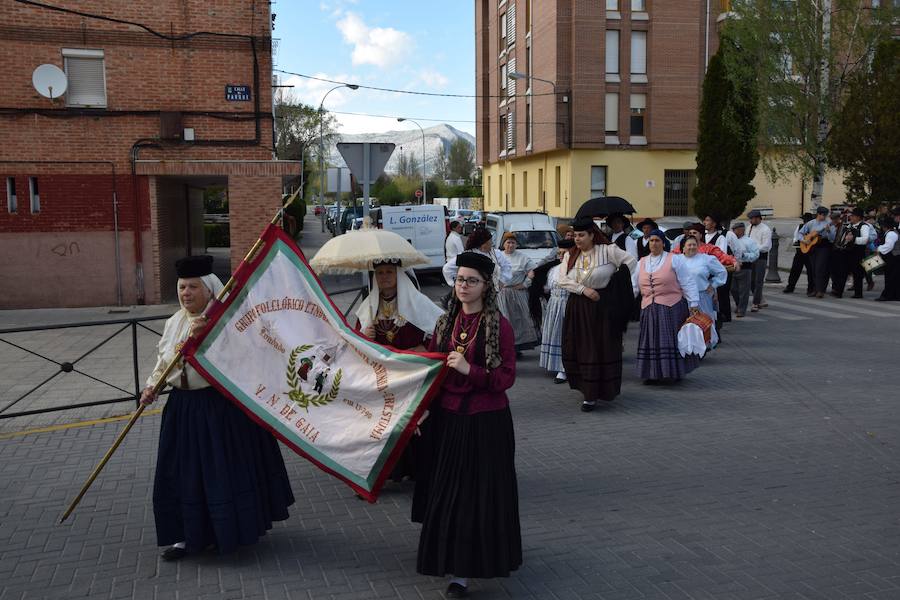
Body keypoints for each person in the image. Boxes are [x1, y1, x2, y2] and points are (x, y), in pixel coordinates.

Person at [141, 255, 295, 561]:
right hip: (182, 409)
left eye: (193, 287)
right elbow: (164, 362)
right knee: (182, 474)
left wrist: (206, 338)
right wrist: (151, 386)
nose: (186, 293)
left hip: (219, 408)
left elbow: (245, 357)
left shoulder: (228, 322)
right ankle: (184, 537)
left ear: (210, 290)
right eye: (182, 287)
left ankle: (227, 533)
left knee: (219, 473)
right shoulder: (174, 323)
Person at [413, 251, 521, 598]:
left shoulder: (497, 325)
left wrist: (468, 370)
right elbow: (432, 370)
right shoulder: (446, 322)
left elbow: (505, 377)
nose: (463, 286)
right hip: (448, 418)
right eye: (460, 279)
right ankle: (452, 564)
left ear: (486, 285)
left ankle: (473, 566)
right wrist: (422, 409)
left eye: (471, 280)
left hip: (485, 421)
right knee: (448, 493)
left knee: (480, 496)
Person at [355, 258, 444, 483]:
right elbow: (357, 344)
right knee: (387, 422)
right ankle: (387, 471)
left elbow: (439, 327)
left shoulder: (417, 302)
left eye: (389, 272)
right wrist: (366, 338)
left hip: (411, 372)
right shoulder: (367, 308)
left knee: (414, 419)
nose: (384, 276)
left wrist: (423, 346)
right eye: (380, 273)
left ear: (399, 275)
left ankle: (419, 470)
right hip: (385, 375)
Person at [558, 217, 638, 411]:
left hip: (602, 307)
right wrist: (583, 290)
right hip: (578, 305)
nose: (577, 239)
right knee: (581, 347)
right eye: (575, 235)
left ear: (592, 235)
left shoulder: (608, 250)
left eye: (581, 235)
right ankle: (588, 392)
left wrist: (615, 283)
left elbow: (631, 263)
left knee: (601, 346)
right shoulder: (571, 255)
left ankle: (602, 389)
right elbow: (562, 279)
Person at [636, 230, 701, 383]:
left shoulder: (675, 259)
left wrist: (693, 303)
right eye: (651, 240)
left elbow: (687, 281)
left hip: (671, 307)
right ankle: (651, 374)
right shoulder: (642, 262)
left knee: (669, 340)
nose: (654, 243)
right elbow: (634, 285)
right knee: (650, 341)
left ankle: (672, 372)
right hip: (648, 308)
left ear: (663, 242)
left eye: (657, 240)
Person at [679, 235, 728, 348]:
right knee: (685, 324)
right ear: (683, 247)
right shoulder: (677, 260)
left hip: (702, 296)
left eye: (694, 244)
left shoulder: (706, 259)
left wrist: (713, 284)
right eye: (689, 245)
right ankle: (687, 347)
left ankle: (704, 347)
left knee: (703, 322)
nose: (692, 247)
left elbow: (722, 272)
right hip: (683, 297)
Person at [539, 239, 576, 384]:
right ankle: (556, 364)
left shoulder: (575, 269)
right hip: (554, 304)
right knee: (555, 334)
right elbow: (548, 288)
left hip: (568, 304)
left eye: (564, 253)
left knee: (565, 335)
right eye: (559, 253)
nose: (560, 255)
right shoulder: (554, 270)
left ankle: (565, 368)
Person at [497, 232, 539, 353]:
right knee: (503, 321)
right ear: (503, 244)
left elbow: (533, 272)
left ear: (516, 244)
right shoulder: (498, 256)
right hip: (501, 293)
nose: (510, 245)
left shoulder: (522, 257)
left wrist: (524, 284)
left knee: (517, 321)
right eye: (508, 242)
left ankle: (516, 347)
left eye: (513, 243)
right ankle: (503, 347)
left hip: (517, 293)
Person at [442, 227, 512, 289]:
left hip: (491, 291)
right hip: (472, 291)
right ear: (483, 243)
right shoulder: (467, 255)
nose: (491, 243)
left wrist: (502, 281)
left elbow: (507, 267)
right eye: (490, 241)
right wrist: (456, 285)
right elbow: (447, 269)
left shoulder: (496, 253)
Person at [831, 207, 872, 299]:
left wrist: (853, 239)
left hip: (858, 252)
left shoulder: (864, 226)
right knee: (843, 271)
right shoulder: (849, 226)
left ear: (858, 217)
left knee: (857, 273)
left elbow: (865, 239)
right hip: (847, 252)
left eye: (853, 216)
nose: (851, 218)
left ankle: (858, 293)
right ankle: (838, 292)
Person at [702, 214, 734, 323]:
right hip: (702, 271)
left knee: (718, 295)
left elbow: (721, 254)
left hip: (713, 270)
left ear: (714, 223)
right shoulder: (702, 237)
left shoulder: (720, 238)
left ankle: (720, 317)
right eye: (705, 220)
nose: (705, 222)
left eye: (707, 220)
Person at [799, 206, 836, 298]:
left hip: (824, 246)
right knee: (813, 268)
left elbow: (832, 238)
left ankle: (821, 290)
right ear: (818, 214)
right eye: (823, 215)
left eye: (826, 215)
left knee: (820, 268)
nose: (825, 217)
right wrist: (804, 240)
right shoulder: (811, 223)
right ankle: (815, 289)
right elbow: (800, 233)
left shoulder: (829, 223)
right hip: (812, 247)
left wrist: (828, 232)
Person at [728, 222, 760, 317]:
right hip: (732, 267)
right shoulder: (731, 240)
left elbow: (755, 254)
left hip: (745, 267)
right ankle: (738, 304)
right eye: (733, 230)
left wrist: (744, 255)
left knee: (744, 290)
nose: (734, 232)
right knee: (733, 289)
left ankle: (741, 310)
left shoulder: (749, 241)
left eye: (735, 230)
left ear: (741, 230)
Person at [746, 209, 773, 312]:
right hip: (750, 257)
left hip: (760, 257)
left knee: (758, 281)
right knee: (751, 281)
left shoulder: (765, 230)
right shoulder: (749, 227)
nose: (750, 221)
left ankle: (756, 303)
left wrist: (754, 249)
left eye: (752, 219)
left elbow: (766, 246)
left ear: (758, 218)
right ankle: (761, 299)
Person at [783, 213, 815, 294]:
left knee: (810, 271)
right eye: (805, 221)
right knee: (795, 269)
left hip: (810, 252)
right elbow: (795, 238)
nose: (805, 222)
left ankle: (811, 288)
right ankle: (790, 286)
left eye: (807, 221)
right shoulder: (800, 227)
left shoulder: (814, 228)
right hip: (800, 251)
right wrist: (802, 241)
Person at [875, 207, 900, 301]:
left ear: (885, 226)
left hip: (894, 257)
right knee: (893, 277)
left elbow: (889, 246)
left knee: (891, 277)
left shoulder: (891, 234)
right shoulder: (892, 232)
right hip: (894, 257)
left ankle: (887, 295)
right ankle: (894, 295)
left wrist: (878, 249)